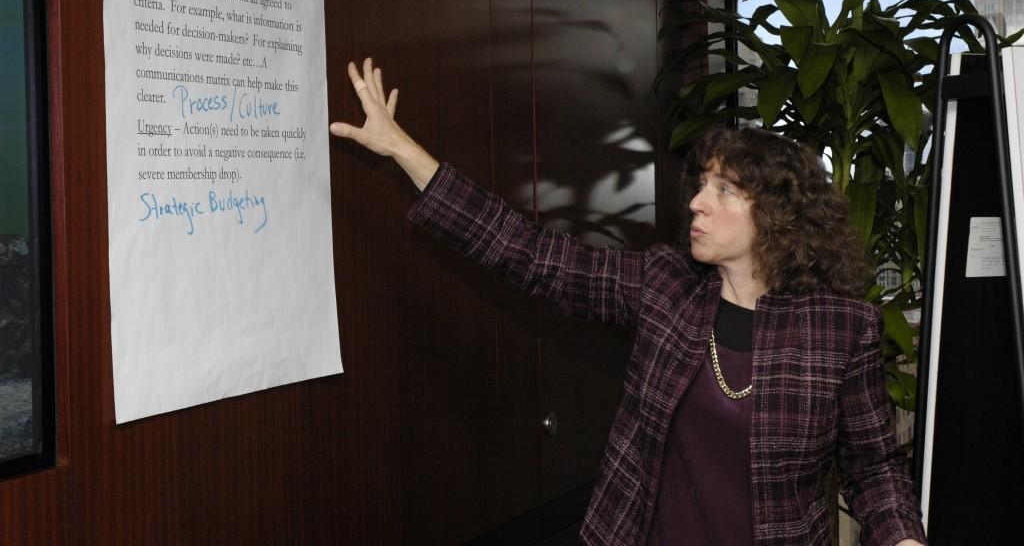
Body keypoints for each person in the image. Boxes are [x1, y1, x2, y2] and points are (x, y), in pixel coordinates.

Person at [330, 58, 927, 546]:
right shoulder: (666, 286)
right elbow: (529, 253)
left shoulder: (841, 330)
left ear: (777, 216)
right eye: (701, 185)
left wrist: (902, 541)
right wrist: (405, 151)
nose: (697, 202)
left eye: (724, 190)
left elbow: (874, 467)